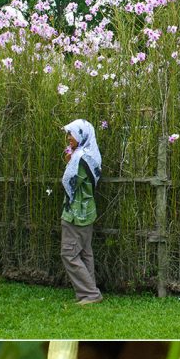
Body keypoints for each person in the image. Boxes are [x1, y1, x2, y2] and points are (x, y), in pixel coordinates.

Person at [60, 119, 103, 305]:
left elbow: (71, 182)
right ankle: (90, 292)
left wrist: (69, 163)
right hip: (87, 211)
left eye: (72, 134)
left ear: (82, 135)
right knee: (85, 253)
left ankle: (90, 294)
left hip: (76, 213)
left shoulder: (80, 158)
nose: (69, 138)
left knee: (69, 253)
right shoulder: (91, 154)